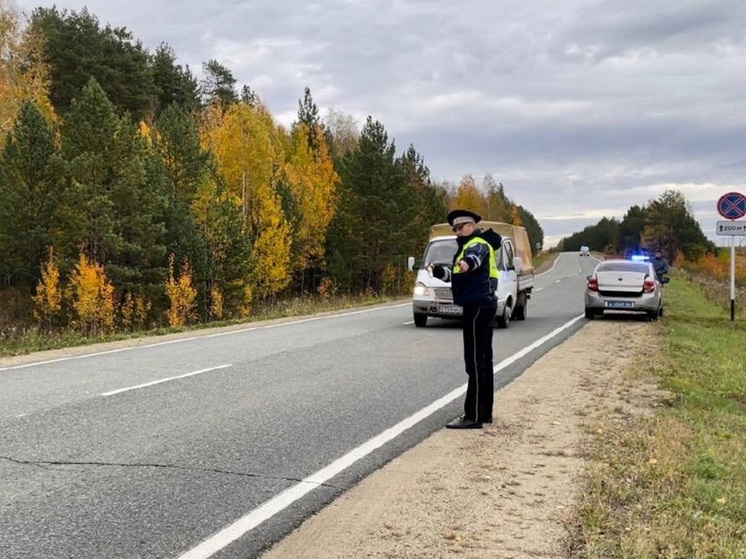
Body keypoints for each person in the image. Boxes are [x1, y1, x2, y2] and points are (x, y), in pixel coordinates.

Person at [428, 209, 502, 429]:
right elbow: (457, 274)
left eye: (460, 228)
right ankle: (484, 412)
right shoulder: (466, 247)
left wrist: (467, 263)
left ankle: (474, 416)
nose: (458, 232)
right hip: (479, 305)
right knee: (483, 361)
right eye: (455, 229)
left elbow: (474, 259)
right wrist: (439, 271)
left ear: (471, 225)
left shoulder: (477, 243)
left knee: (476, 362)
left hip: (478, 306)